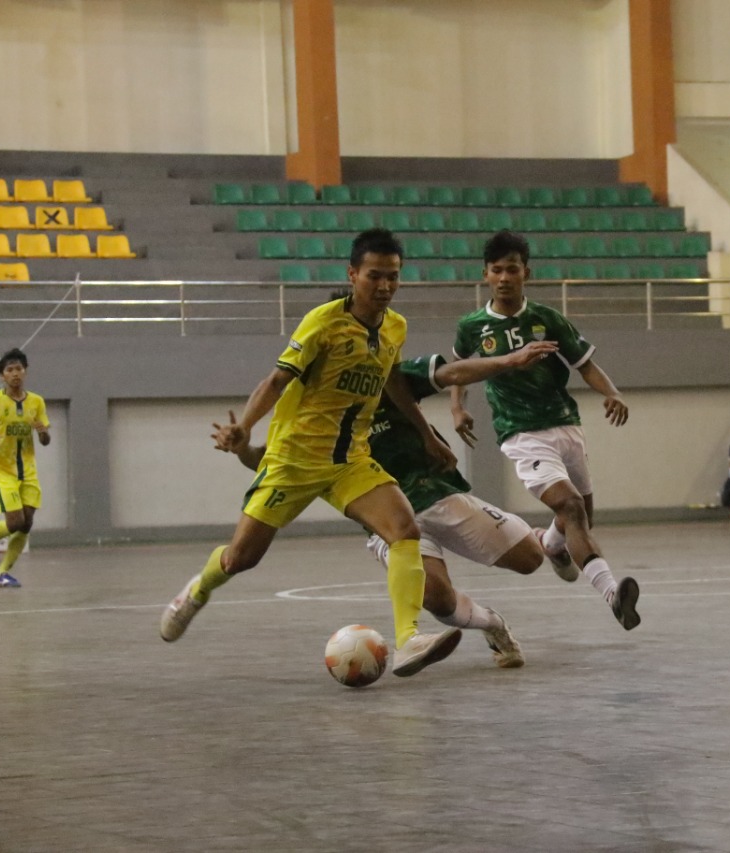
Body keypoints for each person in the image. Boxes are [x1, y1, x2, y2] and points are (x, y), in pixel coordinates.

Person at [159, 228, 465, 680]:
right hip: (294, 460)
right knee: (241, 558)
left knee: (404, 528)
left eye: (393, 278)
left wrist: (426, 434)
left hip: (351, 460)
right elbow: (276, 381)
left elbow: (392, 382)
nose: (384, 287)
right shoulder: (323, 322)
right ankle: (197, 590)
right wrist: (244, 428)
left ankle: (407, 640)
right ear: (353, 274)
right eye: (374, 276)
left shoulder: (395, 328)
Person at [212, 344, 560, 670]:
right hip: (386, 521)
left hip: (435, 494)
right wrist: (242, 447)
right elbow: (263, 459)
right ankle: (493, 623)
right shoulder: (305, 405)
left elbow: (453, 372)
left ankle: (546, 539)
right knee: (437, 599)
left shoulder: (390, 377)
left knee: (529, 559)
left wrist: (509, 360)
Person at [450, 230, 640, 630]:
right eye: (497, 270)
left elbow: (584, 363)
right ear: (486, 274)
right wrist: (456, 408)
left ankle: (552, 545)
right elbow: (458, 370)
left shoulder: (548, 319)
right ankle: (612, 595)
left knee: (582, 517)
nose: (505, 277)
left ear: (526, 273)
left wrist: (612, 392)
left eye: (512, 269)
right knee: (570, 506)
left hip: (566, 425)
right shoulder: (473, 327)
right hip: (522, 434)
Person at [0, 350, 51, 587]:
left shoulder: (36, 402)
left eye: (19, 369)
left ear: (25, 371)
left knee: (26, 523)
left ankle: (1, 573)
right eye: (9, 370)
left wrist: (43, 433)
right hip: (3, 471)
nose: (15, 374)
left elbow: (45, 440)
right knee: (14, 522)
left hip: (29, 471)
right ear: (1, 376)